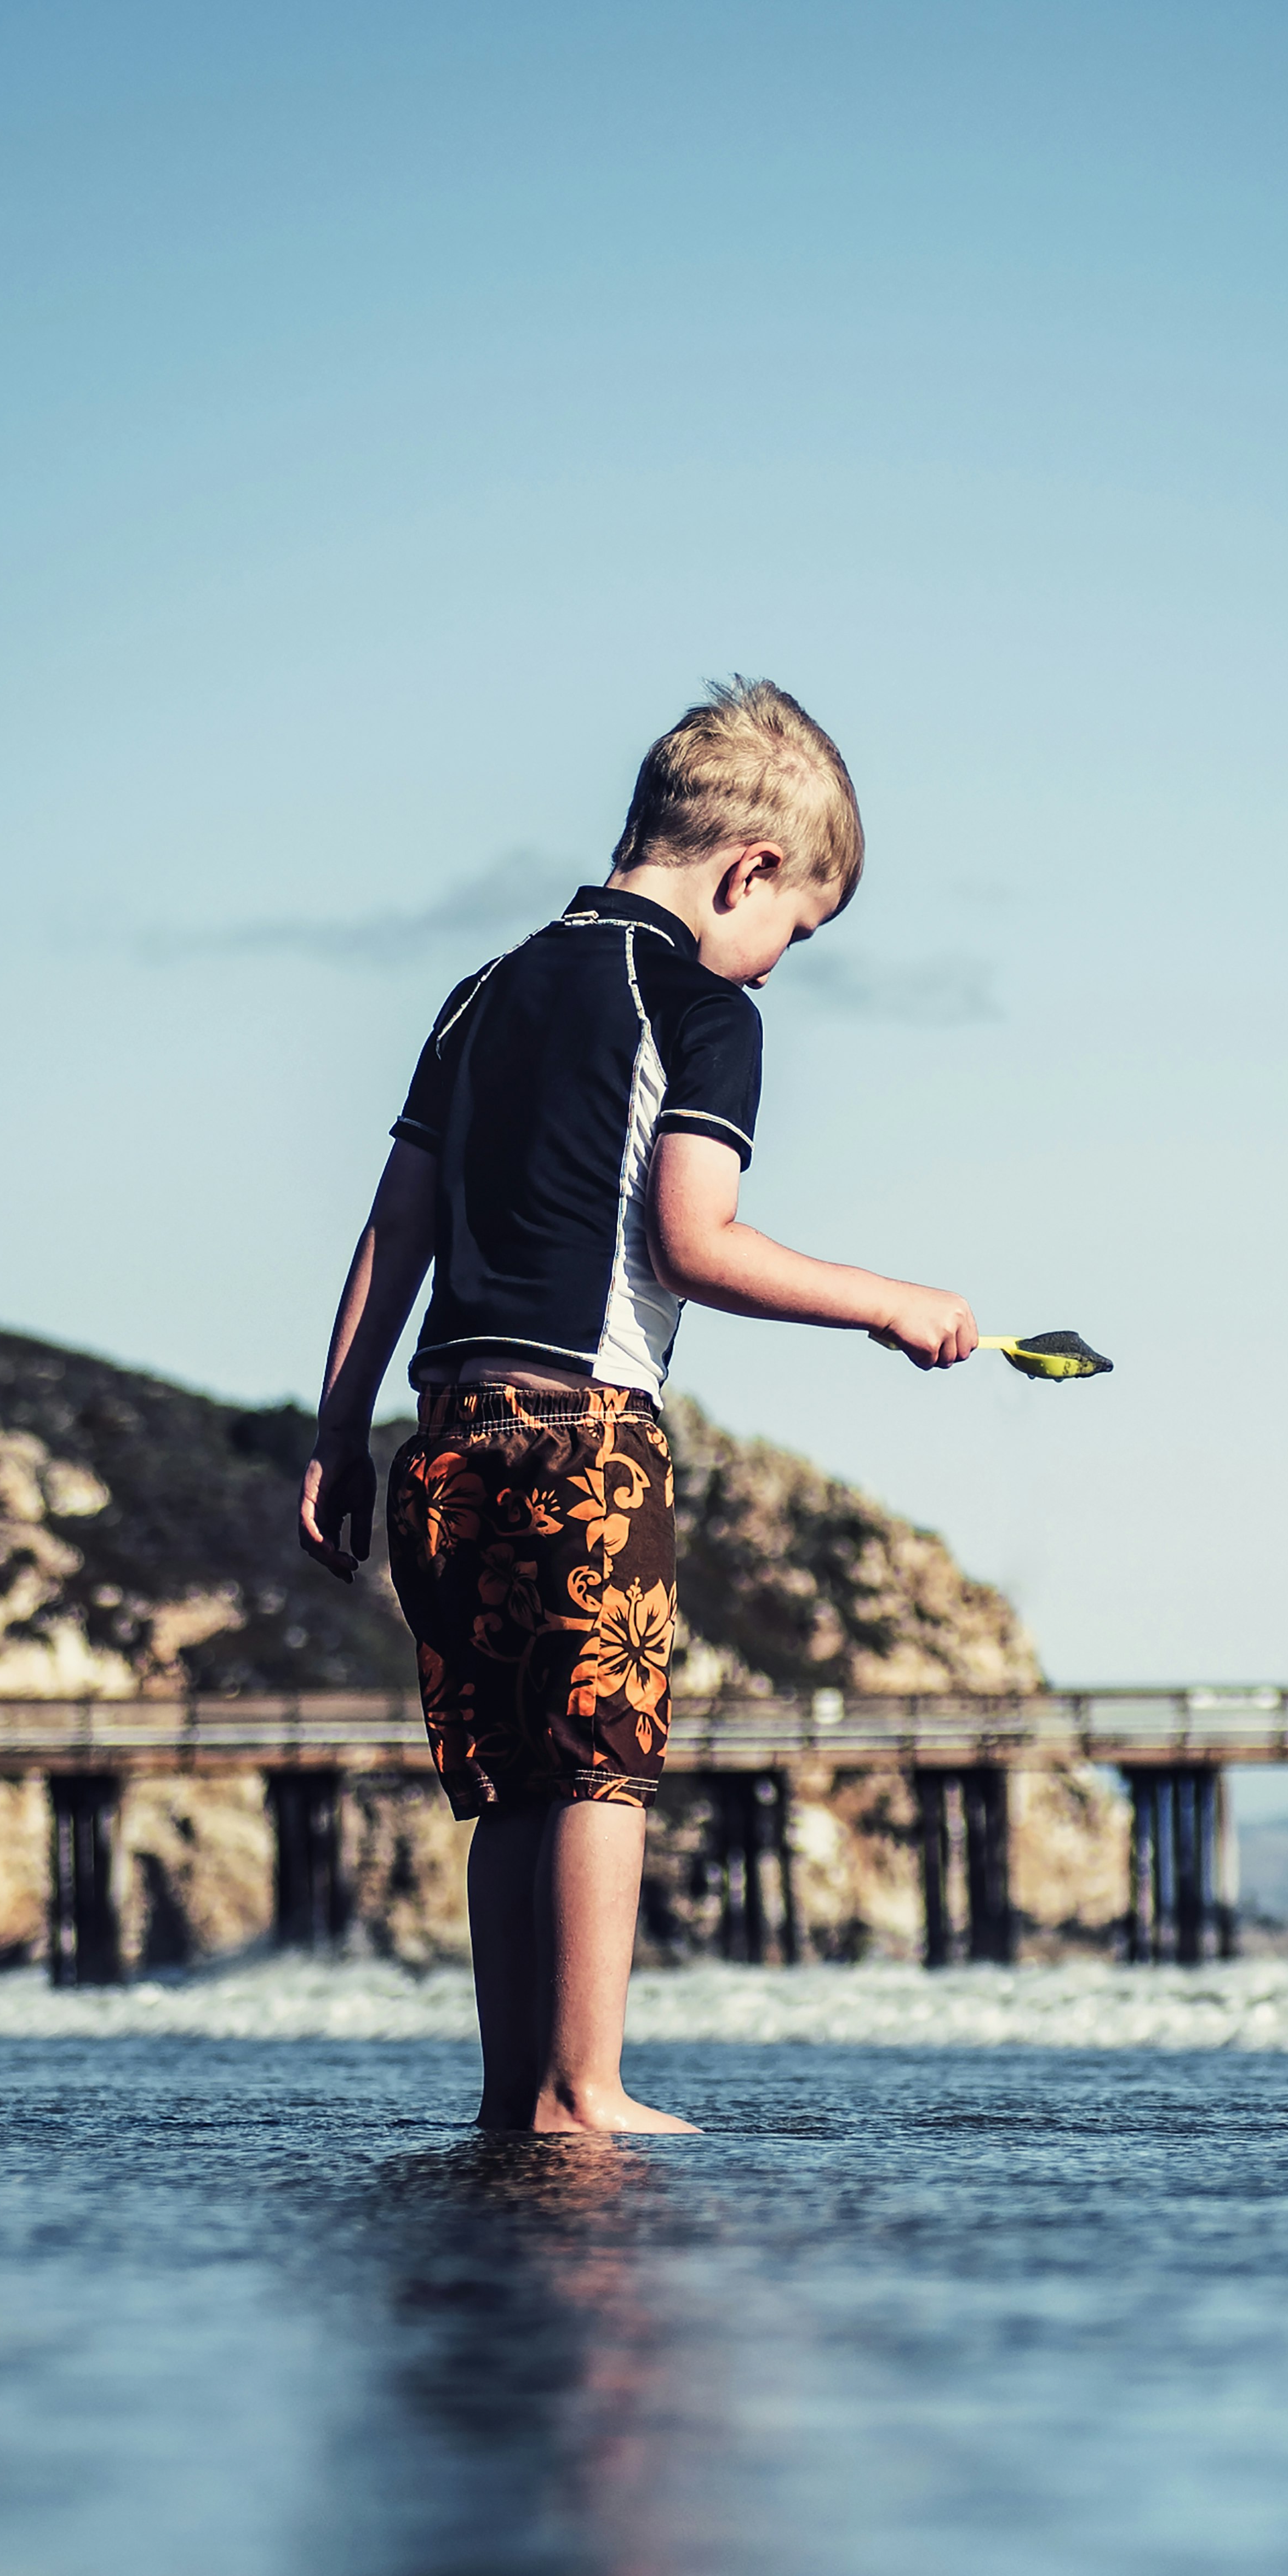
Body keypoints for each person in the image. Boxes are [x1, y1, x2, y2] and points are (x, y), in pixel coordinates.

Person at [297, 680, 977, 2135]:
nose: (778, 967)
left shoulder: (478, 995)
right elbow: (694, 1242)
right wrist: (888, 1301)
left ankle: (515, 2095)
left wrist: (336, 1425)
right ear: (750, 873)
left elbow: (394, 1226)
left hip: (446, 1437)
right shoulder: (699, 1004)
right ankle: (588, 2085)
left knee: (506, 1778)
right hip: (586, 1429)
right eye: (794, 932)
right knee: (599, 1768)